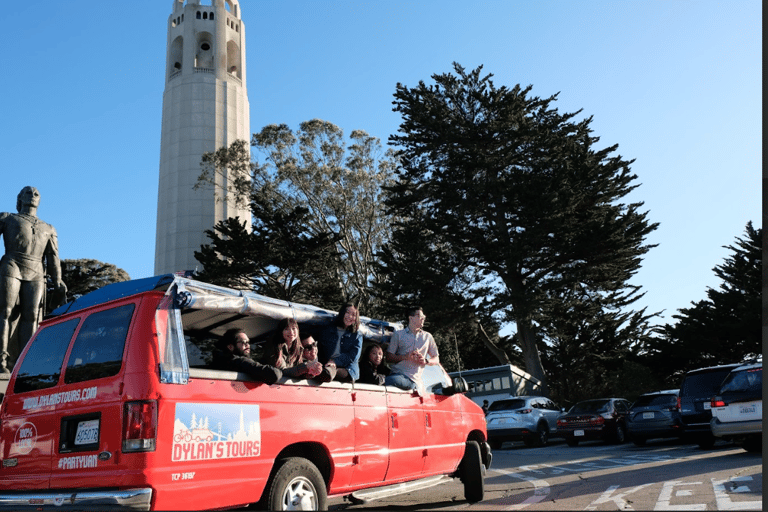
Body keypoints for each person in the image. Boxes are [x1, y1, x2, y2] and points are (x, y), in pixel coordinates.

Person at [0, 186, 67, 373]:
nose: (33, 195)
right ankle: (1, 361)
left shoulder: (49, 228)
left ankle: (24, 363)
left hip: (36, 270)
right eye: (28, 192)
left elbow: (53, 257)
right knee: (5, 311)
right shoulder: (7, 218)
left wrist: (58, 279)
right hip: (12, 263)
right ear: (20, 198)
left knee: (31, 316)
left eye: (37, 193)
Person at [384, 306, 440, 391]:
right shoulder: (398, 334)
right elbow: (388, 357)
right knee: (385, 380)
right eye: (419, 316)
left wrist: (426, 361)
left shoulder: (428, 337)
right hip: (396, 374)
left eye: (423, 316)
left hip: (412, 379)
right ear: (411, 318)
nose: (423, 318)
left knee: (387, 381)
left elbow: (436, 359)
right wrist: (405, 357)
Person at [210, 328, 282, 384]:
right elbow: (274, 374)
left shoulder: (219, 361)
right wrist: (283, 372)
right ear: (230, 347)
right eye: (243, 342)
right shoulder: (237, 361)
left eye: (248, 342)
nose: (248, 345)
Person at [317, 304, 363, 382]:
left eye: (353, 315)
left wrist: (335, 362)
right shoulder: (328, 329)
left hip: (347, 369)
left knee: (326, 373)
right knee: (315, 370)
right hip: (327, 364)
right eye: (347, 313)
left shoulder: (357, 335)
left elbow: (353, 357)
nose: (350, 317)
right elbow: (320, 347)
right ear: (342, 313)